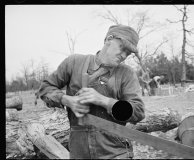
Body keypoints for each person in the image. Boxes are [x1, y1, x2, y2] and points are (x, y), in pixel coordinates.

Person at [38, 24, 145, 159]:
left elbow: (138, 111)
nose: (124, 55)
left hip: (116, 153)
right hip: (79, 152)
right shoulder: (74, 63)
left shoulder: (127, 74)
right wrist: (67, 100)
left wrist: (104, 101)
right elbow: (45, 88)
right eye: (122, 48)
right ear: (108, 40)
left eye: (128, 53)